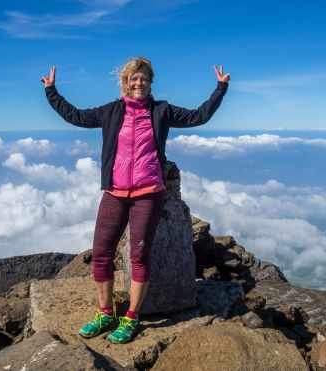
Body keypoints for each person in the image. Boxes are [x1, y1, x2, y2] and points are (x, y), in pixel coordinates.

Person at [41, 57, 229, 344]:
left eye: (143, 78)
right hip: (115, 192)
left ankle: (131, 317)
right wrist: (52, 91)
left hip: (147, 194)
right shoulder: (111, 111)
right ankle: (106, 313)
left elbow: (198, 116)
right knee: (101, 252)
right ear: (125, 82)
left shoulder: (161, 110)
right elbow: (75, 116)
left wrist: (220, 89)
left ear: (150, 82)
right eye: (133, 78)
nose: (138, 82)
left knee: (138, 256)